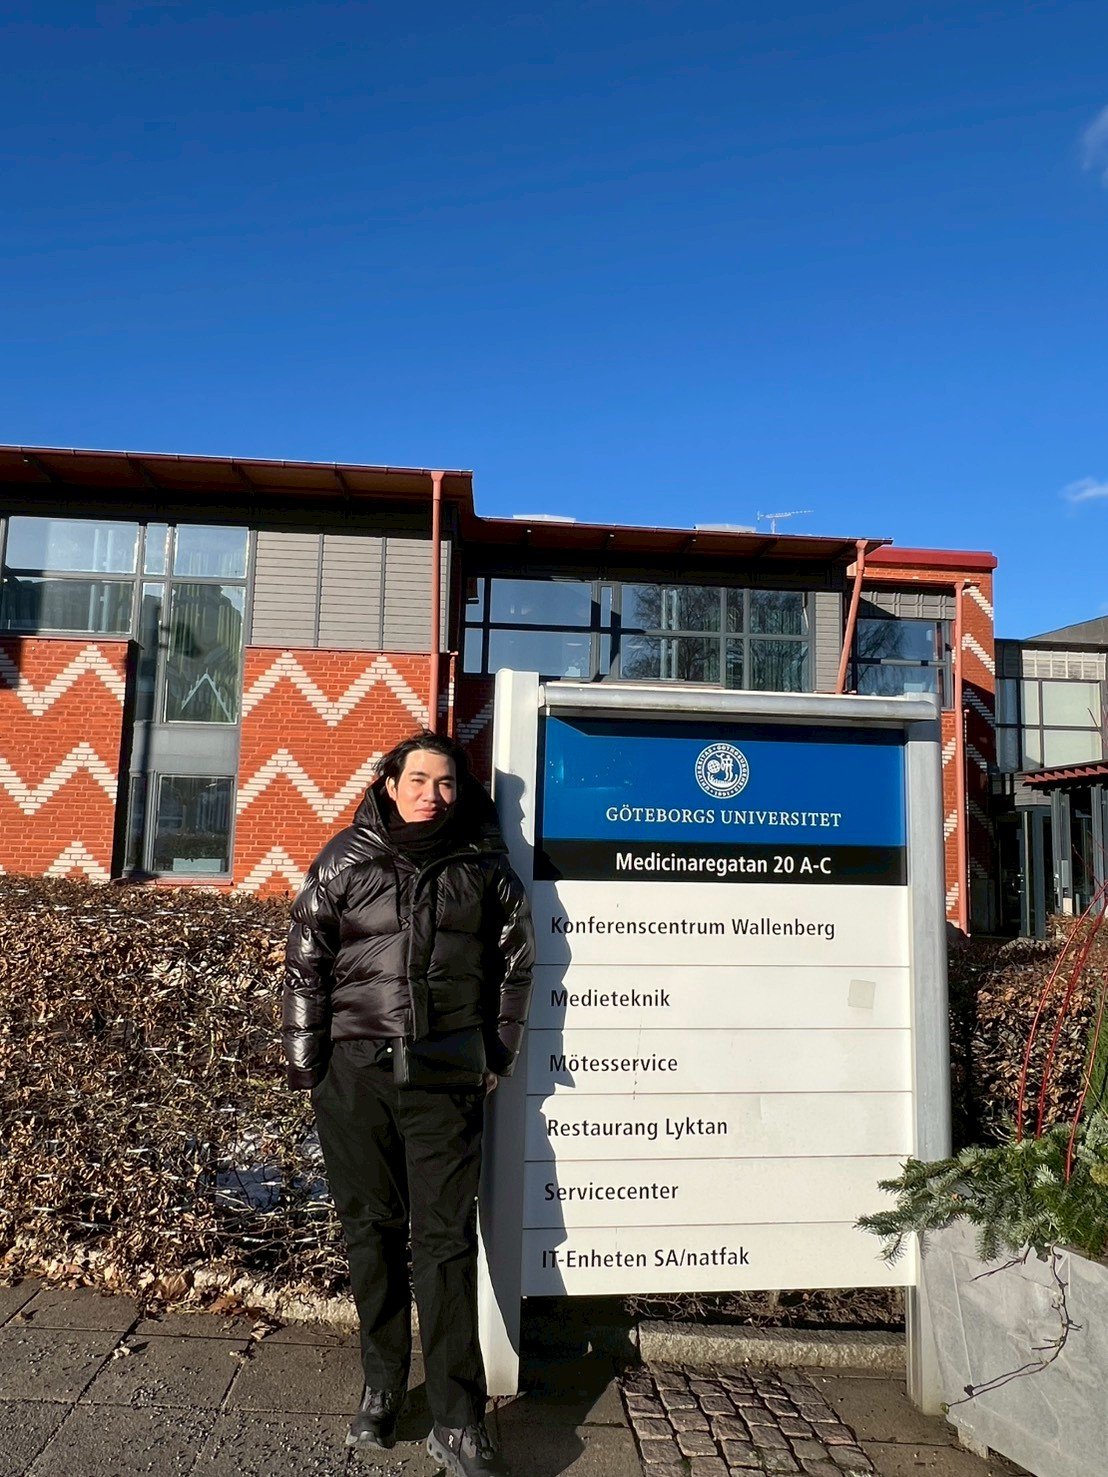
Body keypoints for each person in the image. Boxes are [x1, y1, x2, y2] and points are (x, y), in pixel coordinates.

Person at [283, 730, 534, 1477]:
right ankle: (383, 1385)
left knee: (446, 1241)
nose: (433, 793)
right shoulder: (346, 858)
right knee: (372, 1230)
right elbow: (306, 958)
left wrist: (496, 1053)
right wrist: (308, 1064)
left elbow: (518, 961)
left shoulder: (484, 866)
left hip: (445, 1075)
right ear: (389, 784)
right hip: (354, 1072)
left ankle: (458, 1417)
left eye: (446, 782)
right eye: (418, 779)